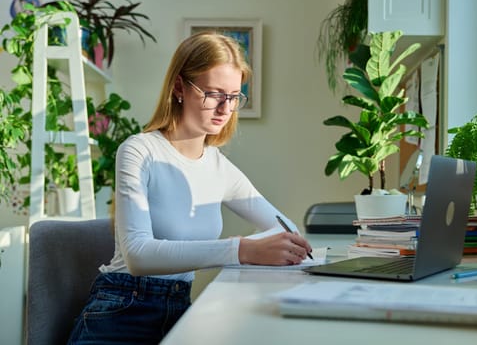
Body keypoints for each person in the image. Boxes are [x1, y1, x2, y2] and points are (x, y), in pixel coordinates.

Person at [67, 31, 312, 344]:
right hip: (121, 310)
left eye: (234, 96)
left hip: (180, 309)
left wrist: (276, 246)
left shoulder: (218, 167)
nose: (225, 108)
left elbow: (286, 228)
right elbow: (139, 256)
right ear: (179, 87)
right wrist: (242, 249)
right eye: (214, 94)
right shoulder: (139, 150)